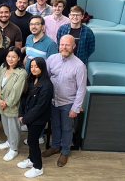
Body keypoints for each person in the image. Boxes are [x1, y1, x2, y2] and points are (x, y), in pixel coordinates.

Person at [42, 35, 87, 167]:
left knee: (67, 128)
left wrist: (75, 108)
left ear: (73, 46)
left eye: (67, 45)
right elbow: (46, 77)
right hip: (53, 101)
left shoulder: (79, 66)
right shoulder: (52, 59)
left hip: (68, 103)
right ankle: (55, 146)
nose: (64, 47)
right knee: (55, 125)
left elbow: (81, 89)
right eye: (62, 45)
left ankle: (65, 151)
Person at [18, 57, 53, 178]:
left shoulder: (47, 85)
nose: (33, 69)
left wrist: (25, 119)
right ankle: (31, 160)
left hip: (38, 119)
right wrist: (21, 114)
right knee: (31, 140)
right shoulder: (31, 79)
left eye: (36, 66)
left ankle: (38, 167)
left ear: (42, 68)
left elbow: (40, 107)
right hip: (29, 117)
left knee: (32, 142)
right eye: (32, 66)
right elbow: (23, 98)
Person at [0, 47, 27, 161]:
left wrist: (6, 103)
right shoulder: (3, 67)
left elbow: (16, 93)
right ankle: (9, 141)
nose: (10, 59)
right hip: (1, 103)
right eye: (8, 56)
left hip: (12, 106)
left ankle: (14, 149)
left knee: (13, 128)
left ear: (18, 58)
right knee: (6, 126)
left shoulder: (21, 73)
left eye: (14, 57)